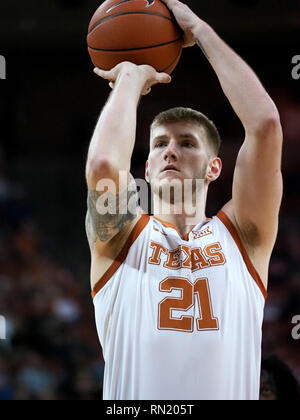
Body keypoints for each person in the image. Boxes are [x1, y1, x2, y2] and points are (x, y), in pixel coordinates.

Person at [85, 0, 283, 400]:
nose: (170, 151)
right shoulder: (122, 238)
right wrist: (130, 76)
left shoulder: (243, 237)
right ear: (146, 167)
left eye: (186, 143)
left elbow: (265, 125)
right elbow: (105, 162)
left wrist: (200, 30)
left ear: (214, 168)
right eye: (160, 144)